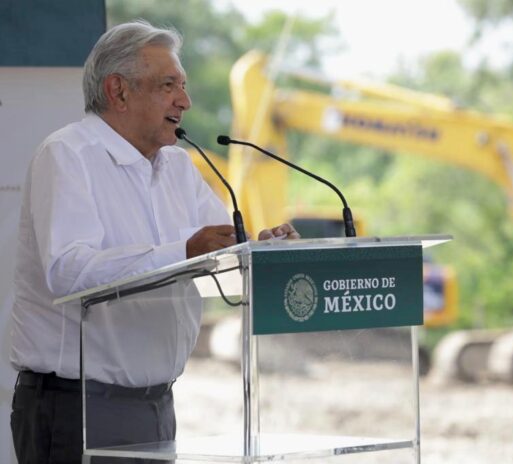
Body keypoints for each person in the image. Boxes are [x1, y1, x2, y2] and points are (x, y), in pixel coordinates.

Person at [9, 20, 299, 464]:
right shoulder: (68, 156)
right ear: (118, 91)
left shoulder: (180, 169)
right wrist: (183, 251)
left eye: (182, 87)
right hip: (78, 406)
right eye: (169, 86)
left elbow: (221, 251)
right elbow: (67, 271)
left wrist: (264, 248)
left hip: (157, 405)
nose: (184, 101)